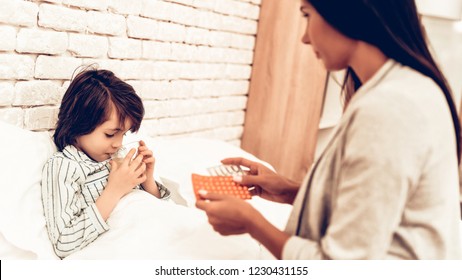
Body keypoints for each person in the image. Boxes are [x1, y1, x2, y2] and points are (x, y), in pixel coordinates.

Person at [196, 0, 462, 259]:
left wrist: (253, 224)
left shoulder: (390, 107)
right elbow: (373, 209)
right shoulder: (406, 88)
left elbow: (341, 266)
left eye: (307, 15)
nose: (305, 38)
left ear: (346, 10)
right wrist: (291, 191)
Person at [41, 68, 170, 258]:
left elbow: (164, 210)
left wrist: (147, 181)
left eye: (123, 134)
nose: (118, 143)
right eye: (110, 134)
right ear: (78, 124)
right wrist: (114, 190)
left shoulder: (118, 155)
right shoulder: (65, 166)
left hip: (158, 233)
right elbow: (63, 242)